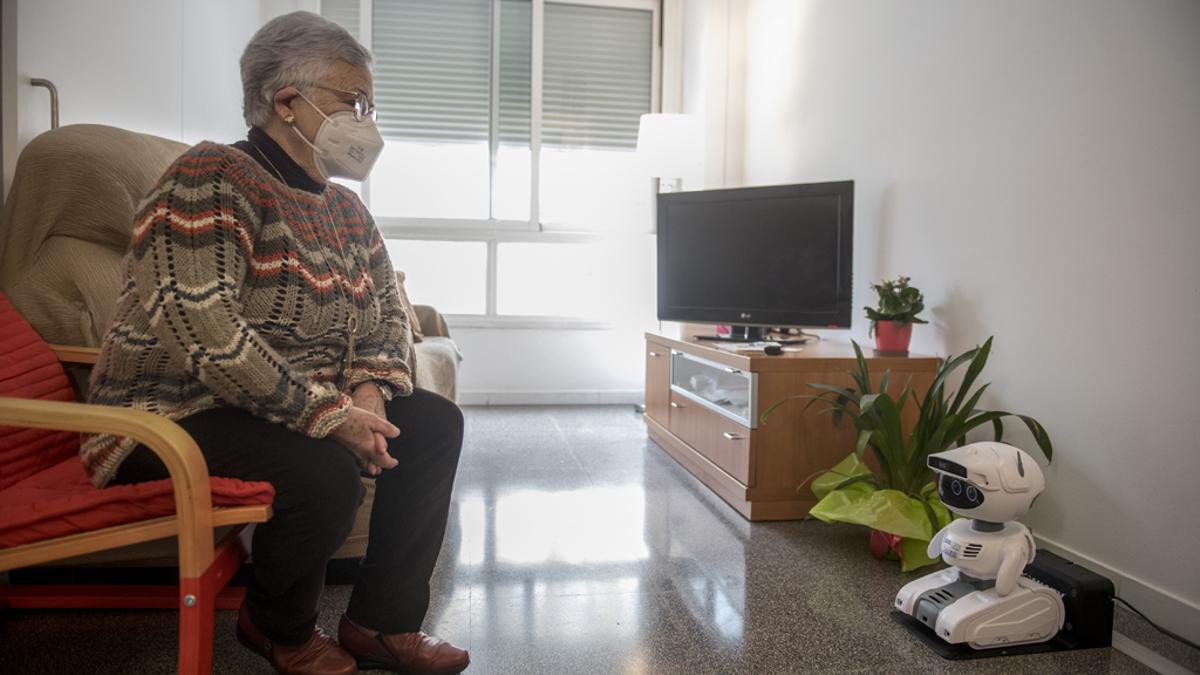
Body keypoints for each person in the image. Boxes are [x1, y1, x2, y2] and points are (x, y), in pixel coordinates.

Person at [81, 11, 468, 675]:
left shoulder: (347, 209)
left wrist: (369, 389)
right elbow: (205, 332)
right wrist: (331, 416)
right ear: (287, 102)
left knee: (432, 424)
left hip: (284, 403)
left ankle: (380, 620)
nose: (365, 119)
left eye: (368, 104)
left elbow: (385, 315)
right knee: (323, 470)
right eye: (353, 101)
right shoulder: (208, 177)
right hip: (171, 413)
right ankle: (275, 621)